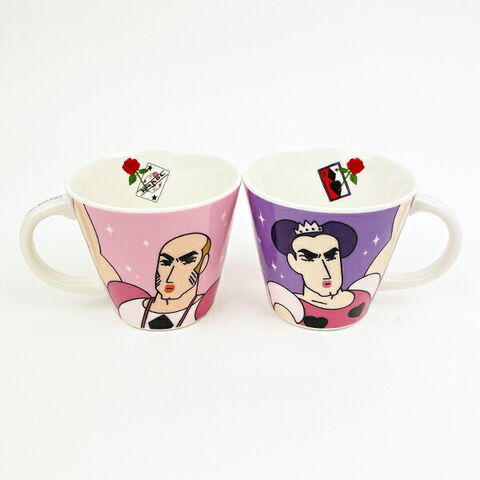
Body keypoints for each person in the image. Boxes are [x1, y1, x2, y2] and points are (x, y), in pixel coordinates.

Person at [74, 201, 218, 330]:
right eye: (165, 263)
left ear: (203, 263)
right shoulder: (130, 305)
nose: (170, 276)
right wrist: (78, 204)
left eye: (186, 262)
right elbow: (99, 255)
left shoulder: (200, 306)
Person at [267, 201, 410, 329]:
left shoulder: (362, 293)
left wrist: (403, 205)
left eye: (330, 256)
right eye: (309, 258)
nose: (325, 271)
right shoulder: (292, 307)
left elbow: (388, 243)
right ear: (293, 262)